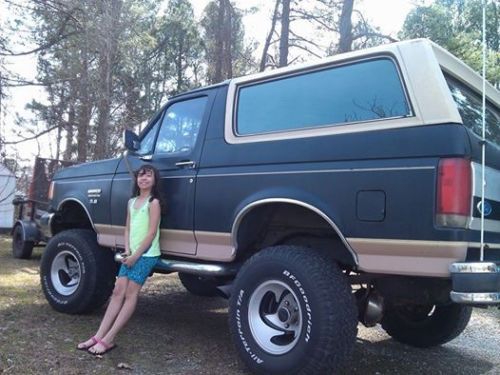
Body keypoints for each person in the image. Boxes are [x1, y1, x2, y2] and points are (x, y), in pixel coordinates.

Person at [77, 164, 162, 355]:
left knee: (131, 293)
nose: (144, 179)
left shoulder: (153, 203)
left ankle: (110, 338)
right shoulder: (132, 202)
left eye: (148, 176)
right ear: (136, 180)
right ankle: (98, 335)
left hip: (146, 255)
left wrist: (135, 255)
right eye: (141, 176)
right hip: (130, 253)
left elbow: (151, 233)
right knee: (117, 291)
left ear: (154, 180)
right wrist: (127, 250)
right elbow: (127, 228)